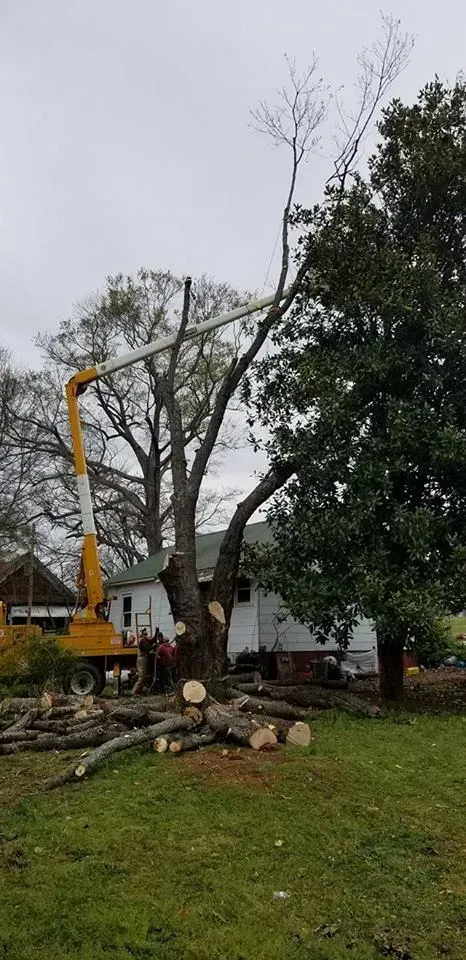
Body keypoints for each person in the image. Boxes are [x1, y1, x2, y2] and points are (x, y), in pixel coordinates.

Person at [131, 628, 156, 695]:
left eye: (146, 634)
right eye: (145, 634)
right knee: (141, 677)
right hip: (141, 659)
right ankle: (134, 692)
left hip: (143, 659)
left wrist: (156, 633)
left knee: (144, 676)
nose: (146, 635)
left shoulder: (145, 640)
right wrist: (153, 647)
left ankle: (138, 691)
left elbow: (151, 641)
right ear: (142, 635)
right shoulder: (142, 641)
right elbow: (146, 648)